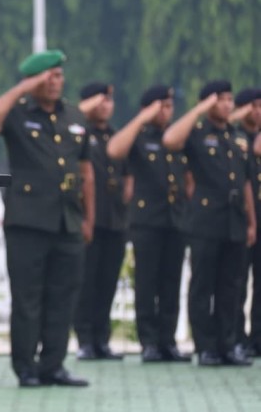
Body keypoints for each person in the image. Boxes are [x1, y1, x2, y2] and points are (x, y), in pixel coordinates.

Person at [0, 49, 93, 388]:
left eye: (58, 75)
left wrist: (88, 217)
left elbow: (86, 171)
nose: (55, 82)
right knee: (27, 298)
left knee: (63, 296)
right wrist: (22, 89)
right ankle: (25, 367)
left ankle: (53, 364)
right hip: (28, 222)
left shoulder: (74, 115)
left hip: (68, 221)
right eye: (48, 76)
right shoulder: (17, 112)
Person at [162, 80, 256, 367]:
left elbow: (246, 182)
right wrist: (199, 110)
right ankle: (206, 346)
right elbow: (170, 140)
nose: (227, 105)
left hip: (234, 220)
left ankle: (228, 345)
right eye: (220, 100)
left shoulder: (237, 137)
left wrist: (251, 222)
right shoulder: (197, 133)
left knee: (231, 287)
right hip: (206, 219)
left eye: (229, 99)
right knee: (203, 285)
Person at [106, 85, 191, 363]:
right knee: (147, 282)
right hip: (147, 221)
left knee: (171, 282)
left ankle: (168, 341)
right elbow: (115, 149)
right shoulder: (139, 137)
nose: (167, 111)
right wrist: (143, 117)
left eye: (169, 106)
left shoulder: (175, 138)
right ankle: (149, 342)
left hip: (175, 219)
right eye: (161, 106)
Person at [73, 83, 130, 361]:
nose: (106, 106)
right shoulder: (78, 133)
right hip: (88, 220)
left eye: (109, 100)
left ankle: (102, 339)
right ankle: (85, 339)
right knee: (86, 282)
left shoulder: (116, 136)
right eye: (100, 100)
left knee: (108, 282)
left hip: (115, 219)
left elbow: (127, 174)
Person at [231, 88, 261, 355]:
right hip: (240, 218)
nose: (258, 111)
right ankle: (236, 337)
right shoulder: (233, 135)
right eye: (253, 106)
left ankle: (258, 339)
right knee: (236, 282)